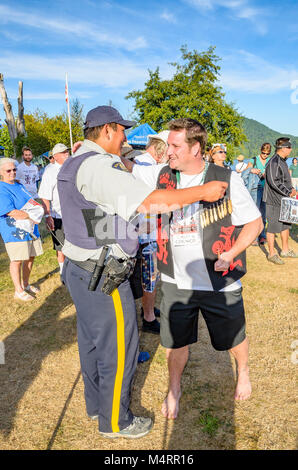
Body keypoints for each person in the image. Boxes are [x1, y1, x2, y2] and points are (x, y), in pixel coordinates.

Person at [57, 105, 227, 439]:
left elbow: (92, 218)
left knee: (92, 342)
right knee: (120, 346)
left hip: (81, 267)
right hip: (102, 274)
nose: (124, 137)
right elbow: (151, 202)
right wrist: (204, 192)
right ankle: (116, 421)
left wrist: (124, 233)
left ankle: (97, 405)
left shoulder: (77, 161)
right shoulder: (99, 167)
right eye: (121, 130)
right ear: (107, 130)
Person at [130, 118, 263, 419]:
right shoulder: (164, 175)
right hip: (176, 278)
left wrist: (231, 253)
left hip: (219, 278)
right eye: (168, 146)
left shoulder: (226, 176)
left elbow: (254, 222)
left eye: (175, 146)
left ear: (196, 148)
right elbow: (143, 197)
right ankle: (173, 389)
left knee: (234, 337)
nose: (169, 152)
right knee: (176, 342)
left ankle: (243, 372)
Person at [134, 130, 170, 334]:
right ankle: (147, 317)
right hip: (145, 231)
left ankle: (147, 308)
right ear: (161, 149)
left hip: (143, 229)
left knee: (148, 275)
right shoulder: (147, 167)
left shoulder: (140, 162)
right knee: (149, 276)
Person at [0, 158, 44, 301]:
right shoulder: (1, 188)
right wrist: (32, 216)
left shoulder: (19, 185)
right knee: (17, 259)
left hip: (29, 227)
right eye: (8, 170)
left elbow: (30, 201)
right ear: (1, 172)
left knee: (30, 256)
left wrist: (36, 212)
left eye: (14, 169)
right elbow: (10, 211)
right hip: (14, 230)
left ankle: (25, 284)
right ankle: (18, 290)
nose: (12, 172)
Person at [263, 137, 297, 264]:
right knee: (272, 227)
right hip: (274, 201)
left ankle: (285, 250)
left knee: (285, 225)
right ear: (282, 148)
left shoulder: (283, 161)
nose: (291, 149)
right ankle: (271, 254)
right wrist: (288, 192)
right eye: (289, 147)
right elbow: (273, 181)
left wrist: (292, 189)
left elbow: (285, 180)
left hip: (284, 200)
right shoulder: (274, 162)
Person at [38, 143, 70, 274]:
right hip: (58, 215)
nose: (67, 154)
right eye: (63, 153)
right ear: (56, 156)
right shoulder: (50, 171)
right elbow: (45, 196)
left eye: (67, 151)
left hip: (74, 215)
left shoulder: (72, 167)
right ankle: (63, 272)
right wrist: (47, 216)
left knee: (75, 243)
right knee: (61, 246)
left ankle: (74, 269)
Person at [246, 143, 272, 245]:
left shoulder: (269, 161)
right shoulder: (254, 160)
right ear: (260, 150)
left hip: (266, 188)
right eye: (263, 153)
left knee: (263, 213)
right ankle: (254, 237)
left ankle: (262, 236)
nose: (265, 155)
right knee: (255, 213)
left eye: (267, 154)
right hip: (255, 188)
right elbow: (246, 171)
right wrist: (252, 170)